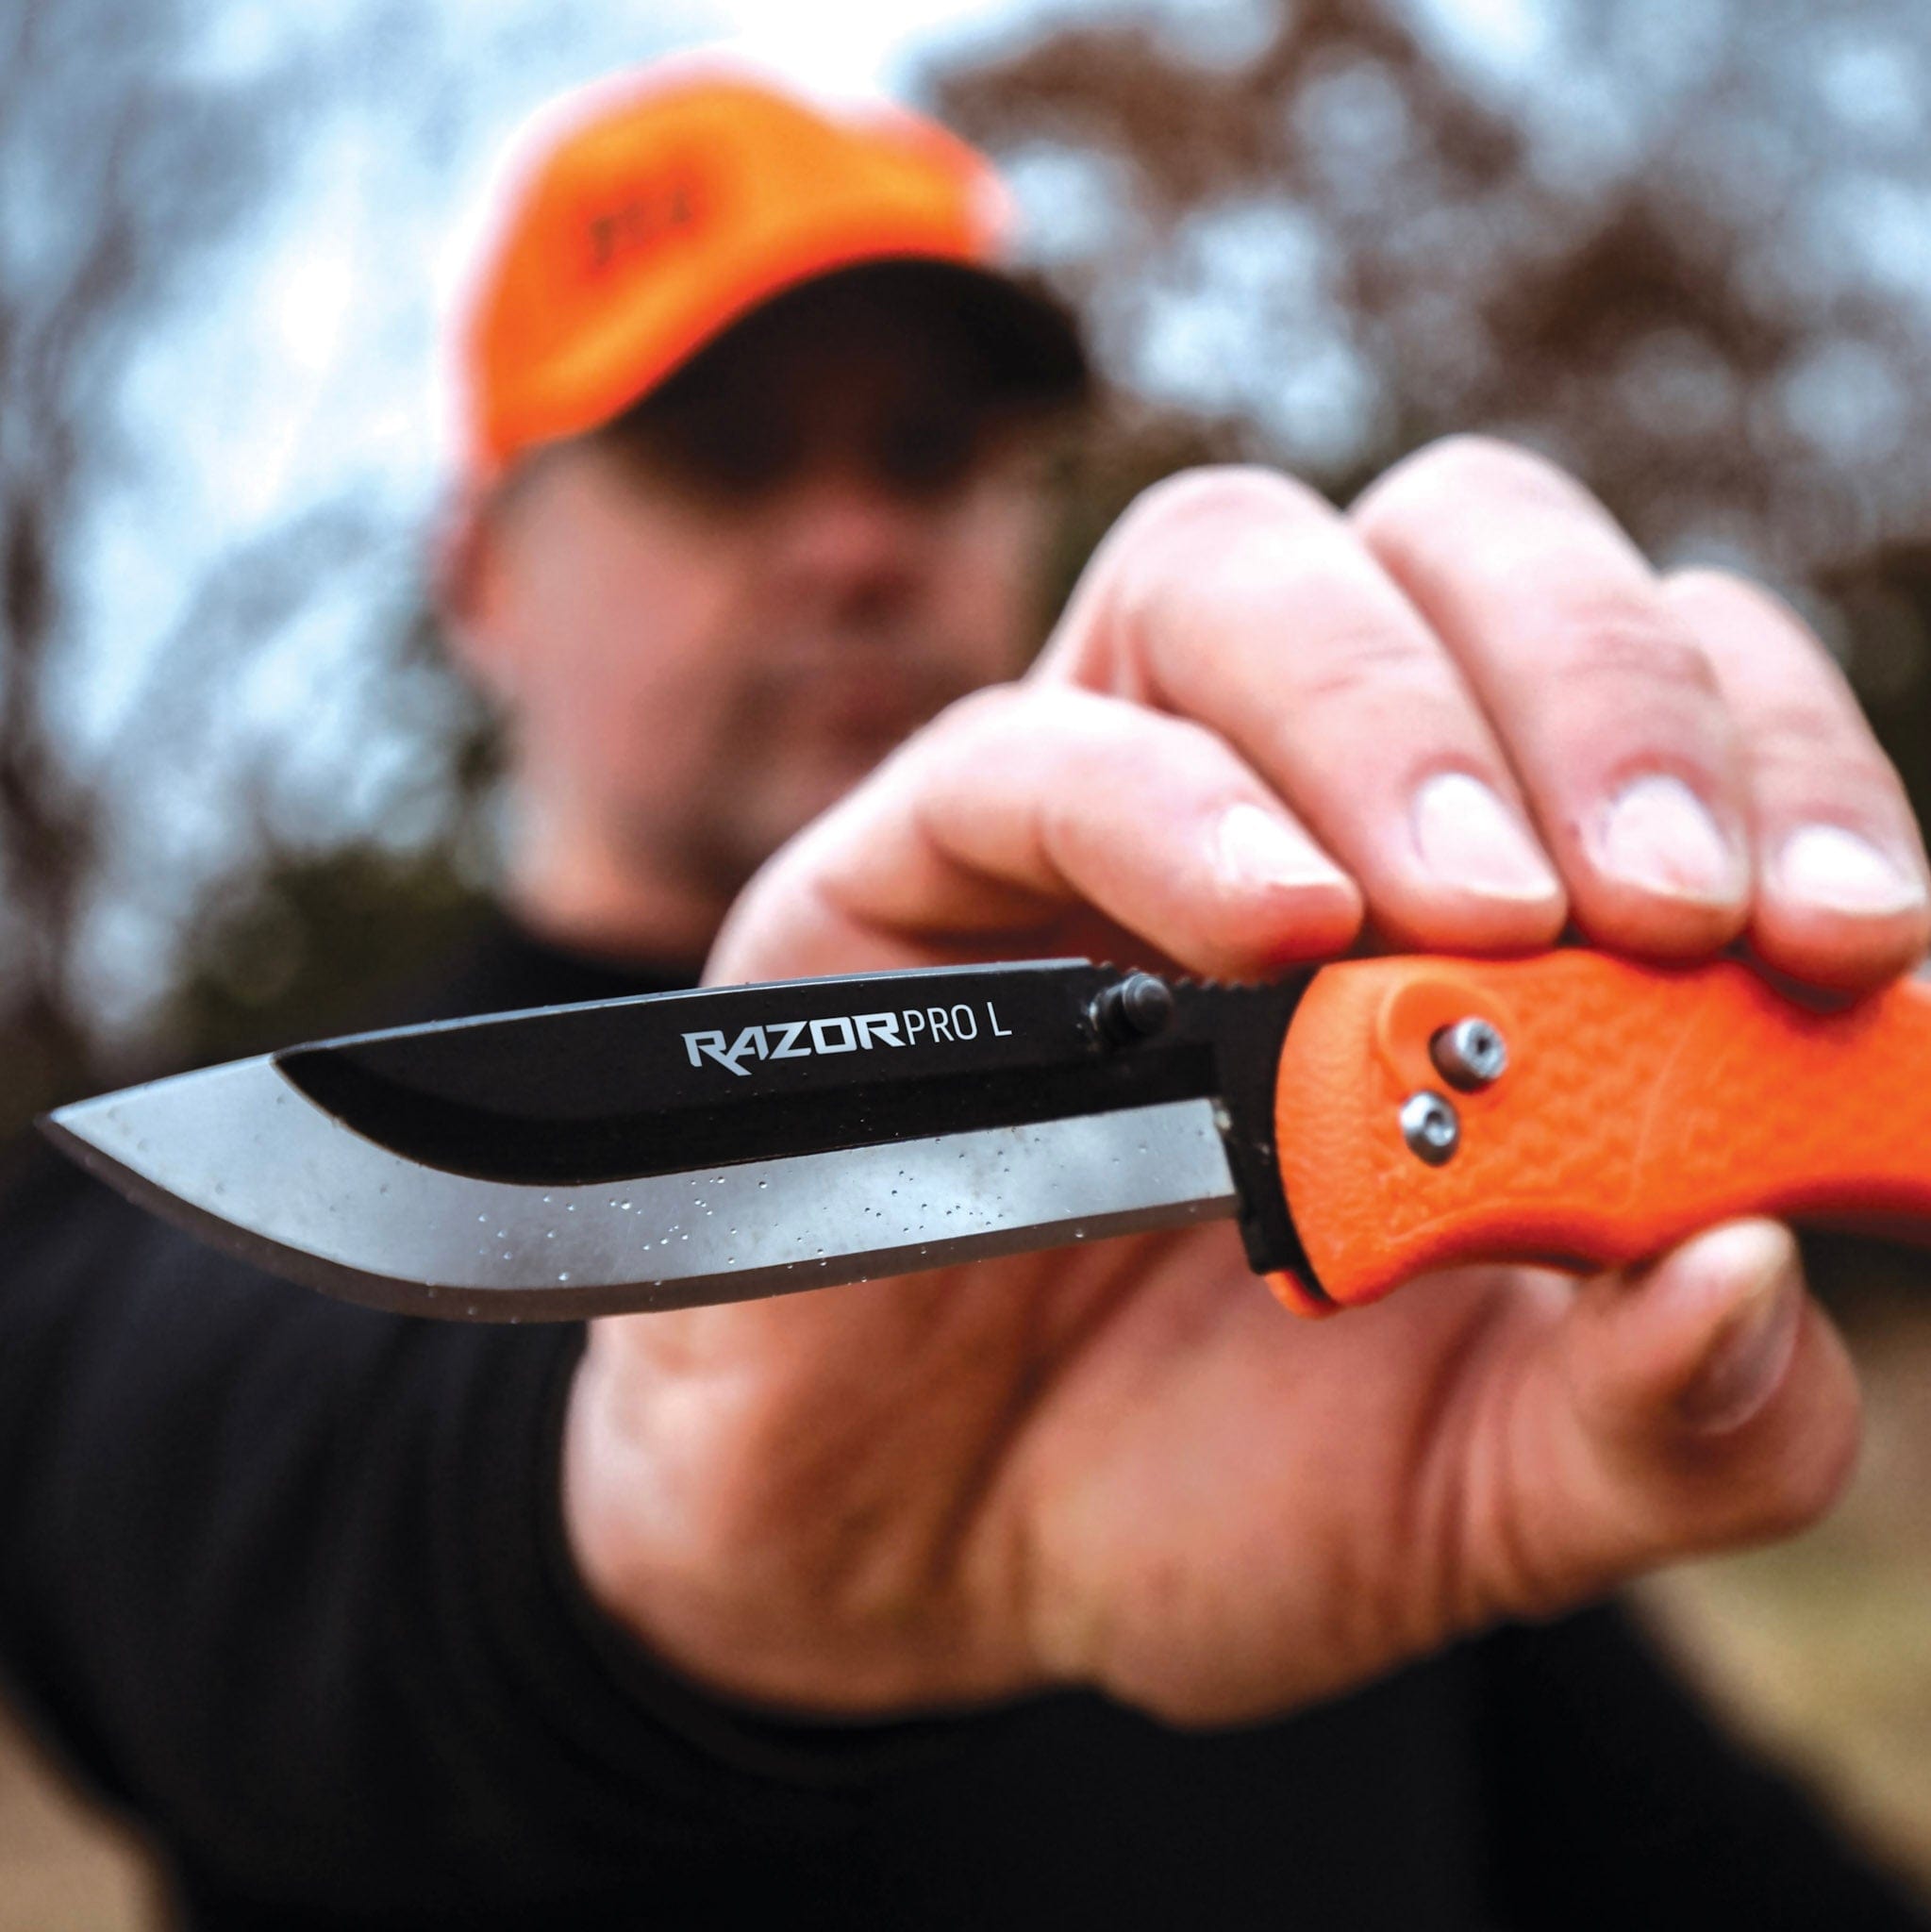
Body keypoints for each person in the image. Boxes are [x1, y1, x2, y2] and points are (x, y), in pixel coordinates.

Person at [4, 58, 1930, 1930]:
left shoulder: (1368, 1265)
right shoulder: (189, 1233)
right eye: (725, 453)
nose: (852, 543)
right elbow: (180, 1521)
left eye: (927, 453)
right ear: (479, 582)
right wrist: (626, 1523)